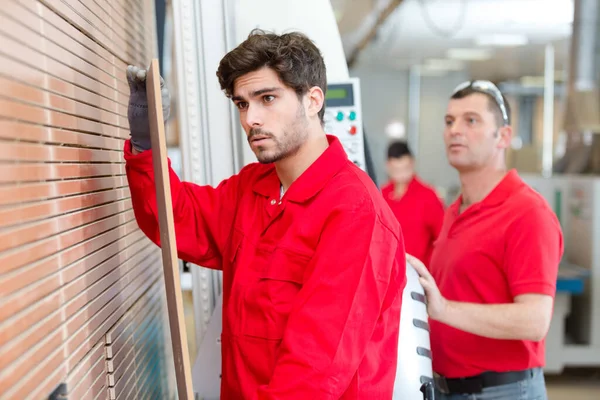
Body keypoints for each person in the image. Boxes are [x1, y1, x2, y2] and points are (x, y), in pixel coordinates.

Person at [124, 30, 406, 399]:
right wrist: (147, 144)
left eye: (267, 98)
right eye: (242, 104)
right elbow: (179, 220)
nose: (251, 118)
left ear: (313, 100)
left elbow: (314, 371)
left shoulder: (356, 213)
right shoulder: (253, 188)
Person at [408, 80, 563, 400]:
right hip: (448, 388)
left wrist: (444, 309)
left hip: (502, 391)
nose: (455, 130)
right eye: (449, 121)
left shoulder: (527, 213)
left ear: (503, 136)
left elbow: (535, 320)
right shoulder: (455, 211)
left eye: (471, 120)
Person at [382, 141, 444, 265]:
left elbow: (442, 239)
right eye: (396, 170)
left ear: (412, 163)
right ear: (388, 166)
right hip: (388, 272)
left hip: (418, 273)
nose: (401, 174)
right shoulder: (382, 194)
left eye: (405, 168)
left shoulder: (427, 196)